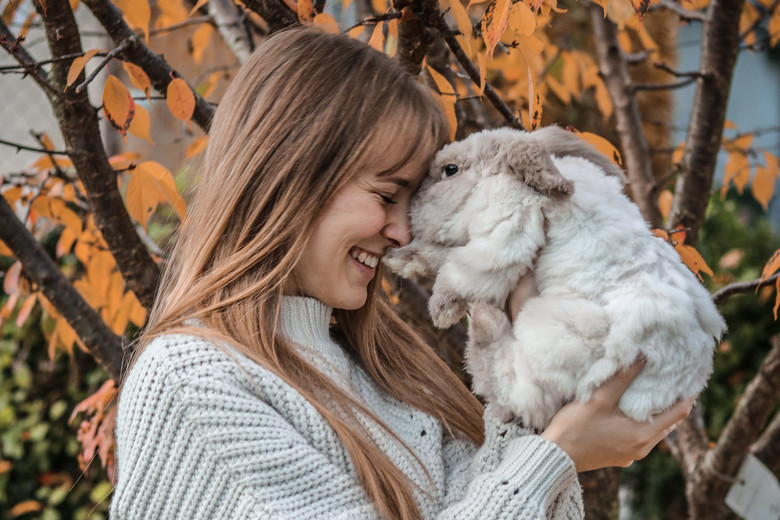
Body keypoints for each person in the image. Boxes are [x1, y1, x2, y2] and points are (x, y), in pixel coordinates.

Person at [109, 26, 693, 519]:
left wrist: (538, 396)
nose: (404, 232)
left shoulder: (384, 371)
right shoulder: (192, 382)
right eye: (387, 194)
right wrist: (556, 454)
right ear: (291, 174)